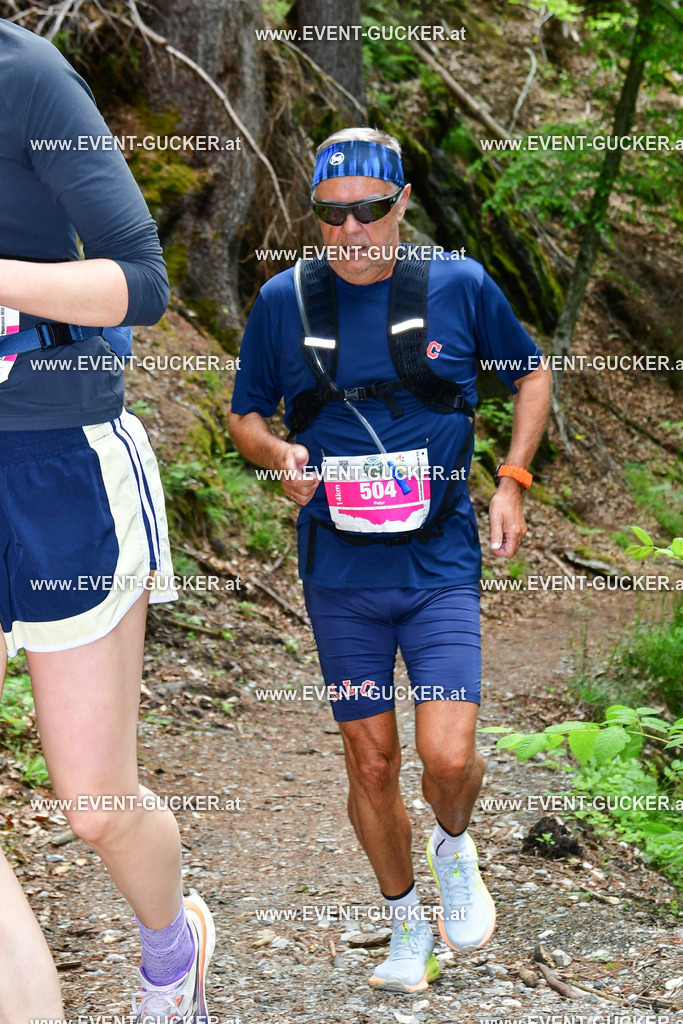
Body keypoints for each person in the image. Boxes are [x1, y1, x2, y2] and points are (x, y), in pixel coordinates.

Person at [228, 126, 552, 994]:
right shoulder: (283, 302)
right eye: (331, 216)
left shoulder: (458, 283)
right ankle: (405, 923)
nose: (351, 230)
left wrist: (512, 480)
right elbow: (246, 416)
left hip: (438, 555)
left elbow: (528, 372)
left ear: (402, 201)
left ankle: (453, 845)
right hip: (339, 568)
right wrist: (278, 458)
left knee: (446, 758)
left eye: (369, 209)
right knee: (370, 761)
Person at [0, 20, 214, 1022]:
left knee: (94, 805)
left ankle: (173, 949)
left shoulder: (27, 75)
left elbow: (141, 282)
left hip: (58, 469)